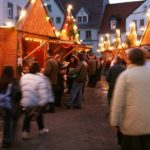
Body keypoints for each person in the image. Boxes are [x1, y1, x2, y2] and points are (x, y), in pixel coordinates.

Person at [110, 48, 150, 150]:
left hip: (132, 124)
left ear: (130, 59)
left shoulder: (126, 75)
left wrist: (114, 120)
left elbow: (118, 101)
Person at [20, 62, 54, 140]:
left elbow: (21, 88)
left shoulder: (24, 77)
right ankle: (32, 131)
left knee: (31, 115)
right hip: (35, 102)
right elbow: (43, 94)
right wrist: (45, 102)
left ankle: (33, 130)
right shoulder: (40, 79)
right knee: (35, 113)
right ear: (39, 69)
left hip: (26, 100)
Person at [0, 66, 21, 148]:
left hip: (4, 106)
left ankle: (5, 141)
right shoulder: (14, 81)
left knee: (6, 123)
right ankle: (11, 139)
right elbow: (18, 93)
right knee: (14, 122)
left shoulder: (1, 81)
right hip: (13, 106)